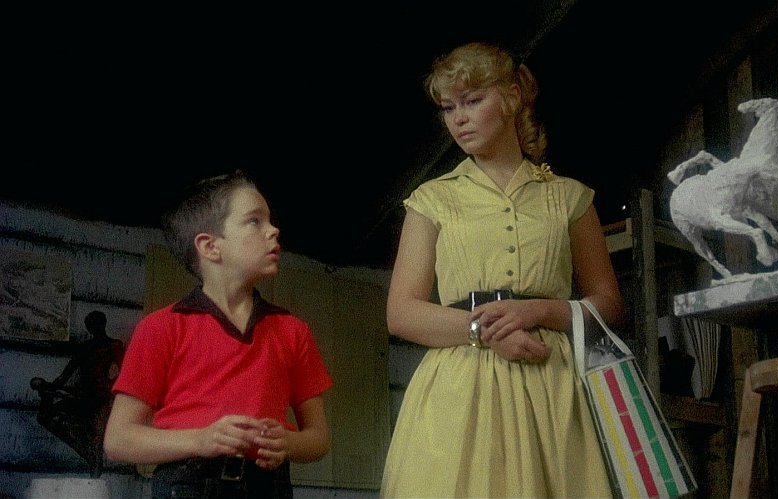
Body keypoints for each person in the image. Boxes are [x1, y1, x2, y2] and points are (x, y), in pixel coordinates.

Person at [381, 42, 625, 497]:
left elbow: (609, 304)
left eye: (473, 100)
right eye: (448, 107)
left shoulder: (570, 197)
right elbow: (402, 313)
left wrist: (537, 311)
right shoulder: (432, 199)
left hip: (551, 381)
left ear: (512, 98)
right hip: (460, 385)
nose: (459, 118)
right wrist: (486, 332)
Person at [103, 170, 333, 499]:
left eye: (269, 220)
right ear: (210, 246)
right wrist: (201, 440)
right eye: (254, 221)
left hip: (270, 487)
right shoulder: (161, 327)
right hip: (185, 486)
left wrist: (289, 442)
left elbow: (319, 439)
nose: (274, 230)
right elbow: (118, 440)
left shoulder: (293, 331)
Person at [30, 310, 125, 477]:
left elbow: (124, 372)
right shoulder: (84, 348)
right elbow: (64, 376)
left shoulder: (113, 345)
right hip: (81, 396)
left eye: (96, 324)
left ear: (103, 324)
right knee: (46, 416)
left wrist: (110, 386)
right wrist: (48, 386)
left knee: (97, 440)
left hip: (101, 398)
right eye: (91, 325)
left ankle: (93, 463)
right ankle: (86, 452)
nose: (94, 328)